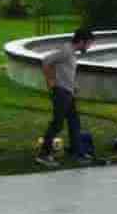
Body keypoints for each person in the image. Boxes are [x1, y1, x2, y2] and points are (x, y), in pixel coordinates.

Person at [37, 28, 96, 167]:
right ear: (81, 41)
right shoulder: (66, 51)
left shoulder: (71, 53)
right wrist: (50, 82)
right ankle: (43, 155)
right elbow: (46, 61)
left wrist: (73, 85)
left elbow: (64, 71)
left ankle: (77, 152)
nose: (89, 47)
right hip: (61, 92)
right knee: (57, 124)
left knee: (74, 122)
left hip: (68, 92)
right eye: (88, 44)